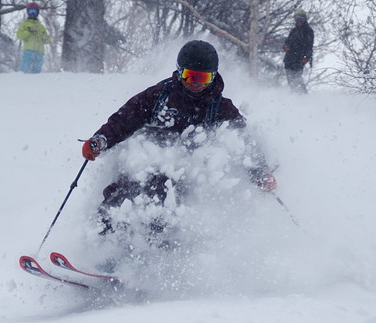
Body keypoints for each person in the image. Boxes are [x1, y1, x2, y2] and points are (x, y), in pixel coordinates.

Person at [81, 40, 277, 242]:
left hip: (183, 172)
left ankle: (151, 255)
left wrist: (260, 172)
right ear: (179, 71)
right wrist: (100, 140)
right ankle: (100, 245)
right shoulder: (158, 96)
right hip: (143, 159)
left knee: (163, 196)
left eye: (203, 78)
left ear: (213, 76)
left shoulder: (221, 108)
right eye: (190, 76)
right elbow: (125, 119)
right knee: (121, 193)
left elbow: (243, 142)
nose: (196, 83)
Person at [283, 9, 314, 93]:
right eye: (296, 17)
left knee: (297, 79)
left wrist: (307, 57)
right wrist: (285, 47)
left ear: (304, 18)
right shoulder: (293, 31)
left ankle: (303, 96)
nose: (298, 19)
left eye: (300, 17)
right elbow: (286, 43)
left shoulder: (308, 31)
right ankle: (295, 97)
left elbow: (309, 46)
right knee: (290, 80)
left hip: (299, 59)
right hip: (289, 59)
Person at [16, 2, 50, 74]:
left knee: (37, 70)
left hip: (39, 52)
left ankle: (35, 84)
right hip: (29, 51)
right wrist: (29, 31)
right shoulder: (24, 24)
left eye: (34, 11)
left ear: (37, 12)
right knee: (25, 68)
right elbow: (19, 36)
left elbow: (47, 41)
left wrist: (45, 37)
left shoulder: (41, 26)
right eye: (31, 11)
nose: (32, 13)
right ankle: (20, 80)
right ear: (28, 12)